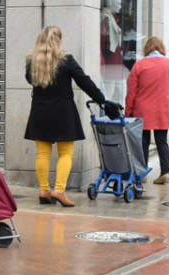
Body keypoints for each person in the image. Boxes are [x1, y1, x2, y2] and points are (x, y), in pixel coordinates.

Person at [24, 26, 116, 207]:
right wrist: (102, 100)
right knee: (65, 153)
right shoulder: (66, 60)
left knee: (42, 153)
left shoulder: (31, 61)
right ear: (58, 40)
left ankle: (44, 191)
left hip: (40, 111)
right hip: (63, 112)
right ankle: (59, 190)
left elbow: (30, 80)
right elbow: (85, 82)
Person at [124, 36, 169, 185]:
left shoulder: (139, 65)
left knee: (143, 142)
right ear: (162, 48)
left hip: (143, 110)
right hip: (162, 109)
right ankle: (165, 172)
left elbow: (131, 92)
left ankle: (142, 173)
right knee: (162, 142)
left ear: (146, 48)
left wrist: (128, 111)